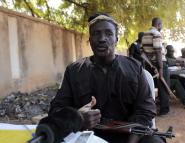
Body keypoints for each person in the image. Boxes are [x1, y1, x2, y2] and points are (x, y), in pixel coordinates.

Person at [49, 13, 165, 143]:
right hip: (86, 137)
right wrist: (77, 118)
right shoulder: (74, 71)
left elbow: (145, 110)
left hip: (128, 137)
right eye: (96, 33)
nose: (102, 39)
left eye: (109, 33)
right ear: (90, 39)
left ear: (116, 39)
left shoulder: (135, 68)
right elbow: (55, 110)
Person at [141, 17, 170, 115]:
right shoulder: (157, 34)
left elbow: (142, 52)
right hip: (159, 64)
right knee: (163, 87)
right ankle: (164, 110)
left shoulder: (145, 35)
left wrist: (150, 64)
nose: (162, 27)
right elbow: (158, 51)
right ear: (159, 24)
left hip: (150, 65)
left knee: (150, 87)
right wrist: (160, 68)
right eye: (161, 25)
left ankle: (150, 109)